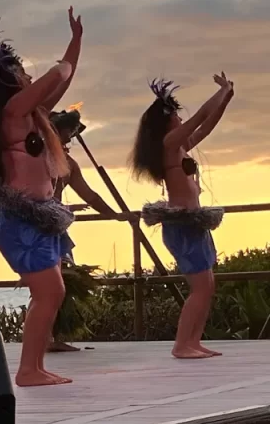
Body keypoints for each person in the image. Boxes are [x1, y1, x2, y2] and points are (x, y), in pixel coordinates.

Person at [0, 9, 82, 387]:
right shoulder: (11, 111)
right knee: (51, 291)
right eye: (22, 74)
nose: (29, 78)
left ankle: (33, 366)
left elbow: (61, 81)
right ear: (11, 81)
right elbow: (57, 76)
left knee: (49, 292)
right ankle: (28, 370)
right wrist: (61, 64)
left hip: (40, 216)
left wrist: (76, 42)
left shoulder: (31, 113)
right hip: (20, 220)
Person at [132, 74, 234, 359]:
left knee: (207, 287)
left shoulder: (179, 148)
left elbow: (208, 125)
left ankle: (193, 341)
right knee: (200, 288)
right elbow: (201, 116)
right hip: (182, 226)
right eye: (175, 114)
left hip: (193, 224)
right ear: (166, 121)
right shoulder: (168, 143)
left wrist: (225, 99)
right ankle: (182, 345)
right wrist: (222, 90)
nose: (180, 118)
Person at [47, 108, 117, 352]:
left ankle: (54, 337)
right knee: (46, 281)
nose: (70, 138)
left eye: (72, 134)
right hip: (37, 223)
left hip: (55, 225)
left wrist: (115, 215)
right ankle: (44, 339)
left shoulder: (68, 164)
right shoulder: (38, 157)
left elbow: (89, 194)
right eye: (67, 132)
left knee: (61, 278)